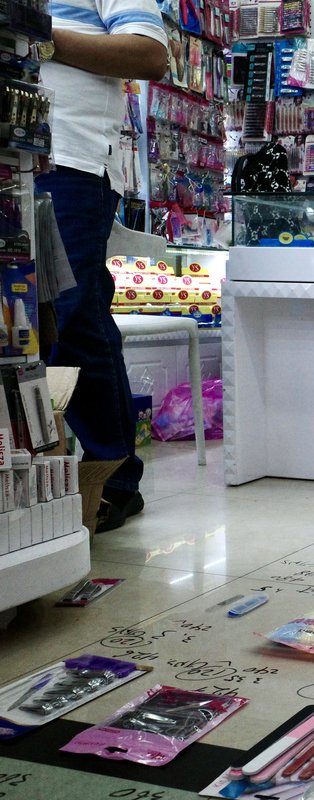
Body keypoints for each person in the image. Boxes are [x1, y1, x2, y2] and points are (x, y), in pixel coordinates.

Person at [36, 0, 169, 530]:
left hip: (71, 160)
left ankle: (36, 479)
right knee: (81, 320)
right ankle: (113, 473)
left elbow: (149, 55)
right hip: (21, 155)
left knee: (53, 317)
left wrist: (39, 35)